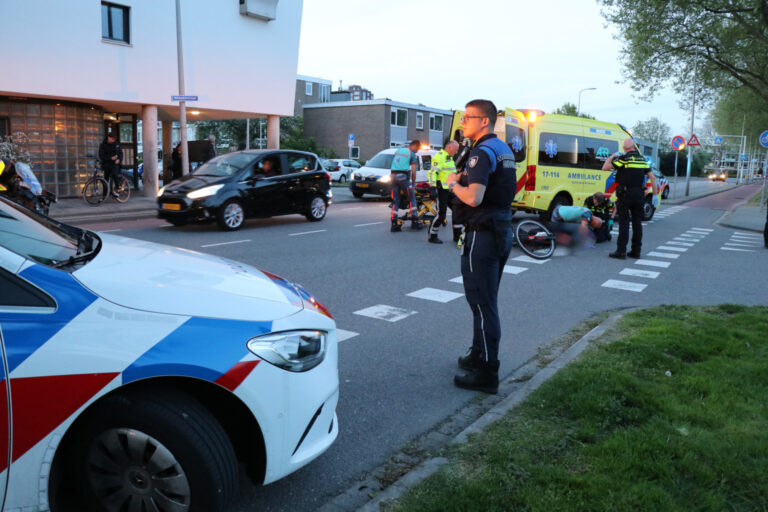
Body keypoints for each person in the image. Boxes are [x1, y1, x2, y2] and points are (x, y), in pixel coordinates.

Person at [445, 99, 517, 394]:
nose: (463, 122)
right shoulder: (503, 149)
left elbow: (474, 197)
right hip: (500, 229)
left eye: (468, 117)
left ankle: (487, 373)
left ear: (484, 121)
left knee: (482, 304)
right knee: (484, 302)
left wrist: (453, 183)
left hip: (483, 233)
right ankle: (478, 354)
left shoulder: (481, 153)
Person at [602, 138, 658, 259]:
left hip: (625, 194)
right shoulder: (642, 160)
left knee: (624, 222)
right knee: (637, 223)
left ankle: (621, 251)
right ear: (634, 147)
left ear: (624, 148)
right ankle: (636, 251)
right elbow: (652, 178)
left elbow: (605, 167)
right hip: (639, 194)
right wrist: (655, 195)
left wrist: (612, 156)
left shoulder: (623, 159)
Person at [427, 140, 459, 244]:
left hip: (450, 190)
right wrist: (433, 187)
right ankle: (432, 235)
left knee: (457, 210)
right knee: (441, 215)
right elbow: (432, 173)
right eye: (455, 149)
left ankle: (457, 236)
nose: (457, 152)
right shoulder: (439, 157)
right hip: (442, 191)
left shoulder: (449, 158)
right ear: (449, 148)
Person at [390, 139, 422, 232]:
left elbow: (395, 163)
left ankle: (394, 223)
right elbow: (413, 171)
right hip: (403, 177)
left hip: (392, 176)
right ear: (415, 146)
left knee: (396, 200)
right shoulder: (412, 154)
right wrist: (413, 184)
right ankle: (415, 221)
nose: (418, 151)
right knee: (412, 198)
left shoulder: (399, 150)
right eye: (418, 149)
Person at [98, 132, 123, 198]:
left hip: (115, 164)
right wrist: (110, 158)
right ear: (108, 137)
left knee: (115, 173)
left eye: (114, 139)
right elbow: (101, 156)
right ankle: (105, 195)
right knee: (105, 180)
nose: (113, 140)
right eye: (112, 139)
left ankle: (117, 189)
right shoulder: (103, 145)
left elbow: (120, 153)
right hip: (106, 164)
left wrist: (119, 159)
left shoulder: (116, 144)